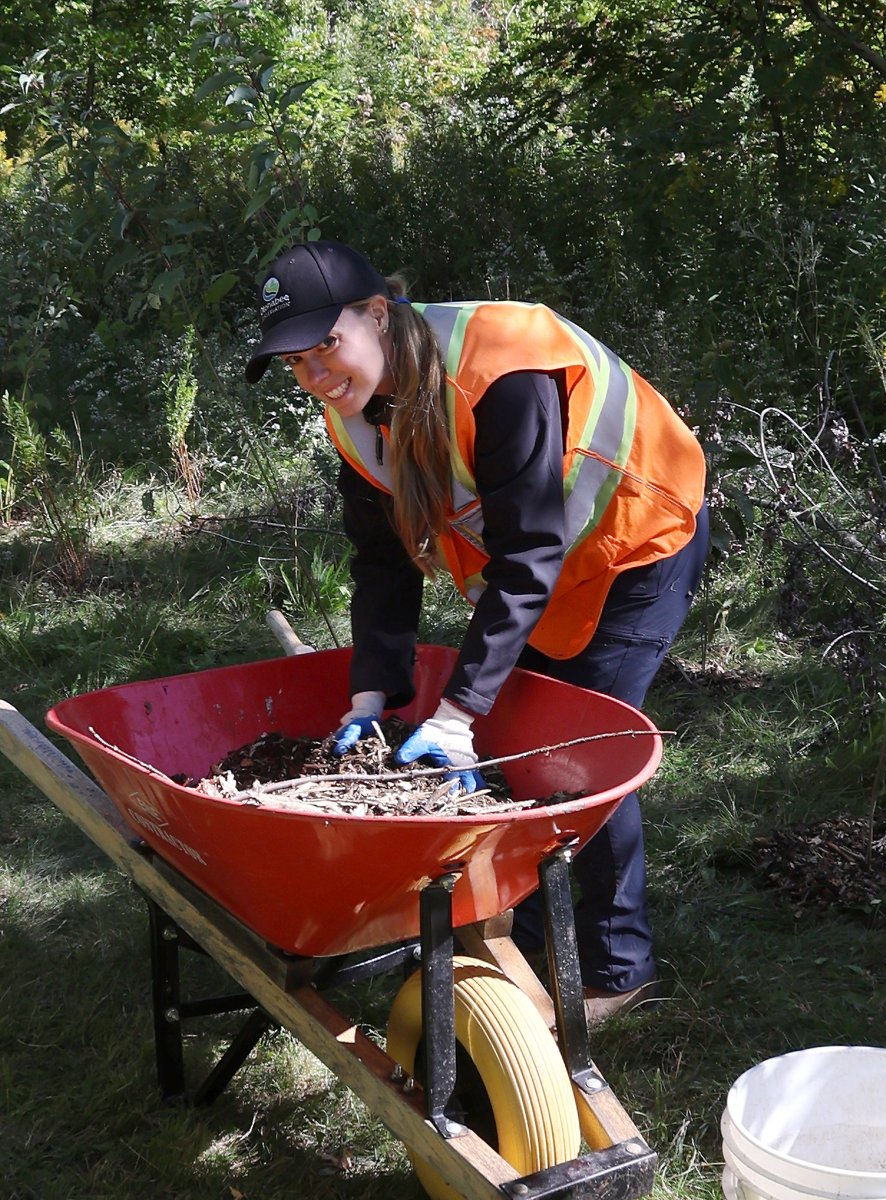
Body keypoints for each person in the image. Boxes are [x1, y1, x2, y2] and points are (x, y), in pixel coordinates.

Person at [245, 240, 708, 1023]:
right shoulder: (354, 412)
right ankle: (517, 932)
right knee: (513, 740)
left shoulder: (501, 369)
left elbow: (527, 553)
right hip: (541, 564)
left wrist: (455, 713)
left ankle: (615, 967)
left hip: (633, 542)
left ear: (377, 314)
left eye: (325, 345)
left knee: (577, 750)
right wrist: (370, 698)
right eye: (295, 362)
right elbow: (382, 563)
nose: (315, 374)